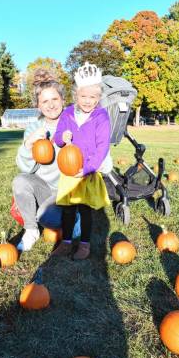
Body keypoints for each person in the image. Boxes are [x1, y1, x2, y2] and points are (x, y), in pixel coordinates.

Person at [12, 69, 80, 251]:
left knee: (47, 217)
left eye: (54, 99)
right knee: (20, 181)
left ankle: (74, 214)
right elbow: (25, 169)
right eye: (45, 101)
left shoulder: (75, 124)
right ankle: (31, 230)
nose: (50, 105)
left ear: (63, 100)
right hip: (45, 189)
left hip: (68, 190)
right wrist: (28, 144)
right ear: (38, 105)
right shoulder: (33, 129)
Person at [52, 61, 112, 260]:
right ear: (76, 94)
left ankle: (84, 244)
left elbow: (103, 146)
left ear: (99, 97)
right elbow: (57, 136)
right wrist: (63, 138)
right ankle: (67, 242)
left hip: (87, 171)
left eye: (93, 97)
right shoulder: (68, 113)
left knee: (86, 210)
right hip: (69, 172)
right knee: (68, 210)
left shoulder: (101, 116)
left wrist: (88, 167)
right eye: (83, 96)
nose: (87, 101)